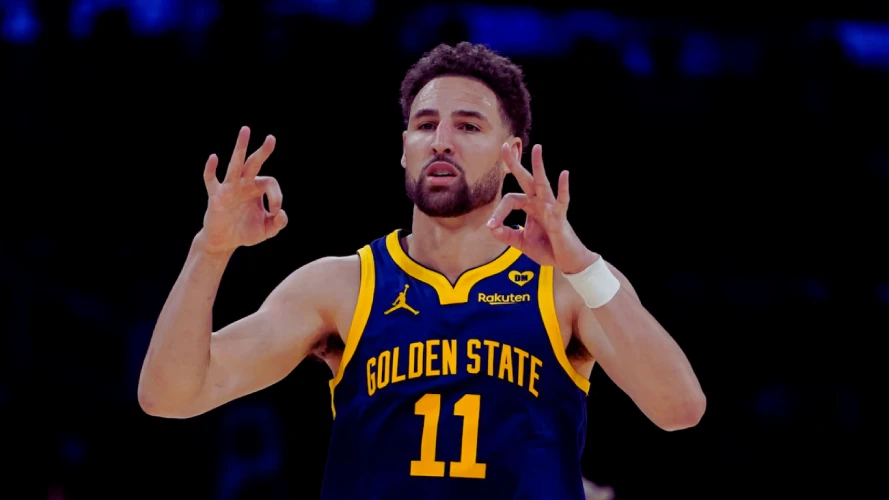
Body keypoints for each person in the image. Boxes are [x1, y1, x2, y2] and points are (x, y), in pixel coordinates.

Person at [138, 42, 705, 499]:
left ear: (511, 151)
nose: (441, 141)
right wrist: (210, 250)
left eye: (468, 126)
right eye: (425, 124)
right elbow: (169, 396)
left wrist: (582, 264)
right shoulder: (341, 285)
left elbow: (679, 409)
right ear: (403, 148)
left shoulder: (569, 285)